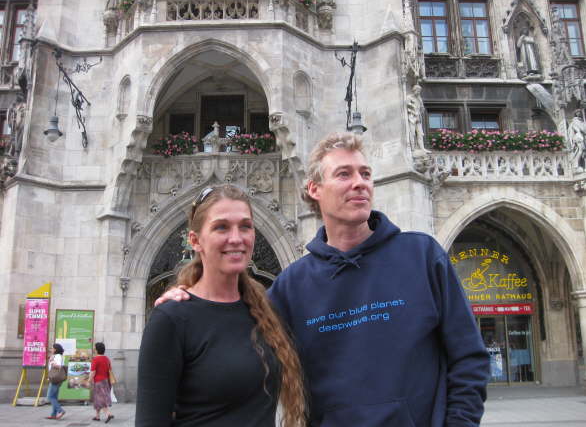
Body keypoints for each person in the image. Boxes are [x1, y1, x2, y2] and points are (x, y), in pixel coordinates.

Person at [158, 134, 490, 426]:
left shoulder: (422, 255)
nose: (359, 183)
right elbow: (230, 330)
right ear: (314, 189)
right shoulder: (292, 286)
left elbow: (469, 356)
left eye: (366, 174)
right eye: (344, 174)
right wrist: (189, 300)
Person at [136, 184, 306, 426]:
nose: (236, 238)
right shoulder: (171, 318)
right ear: (195, 240)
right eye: (221, 227)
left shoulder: (267, 310)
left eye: (245, 226)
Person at [90, 342, 114, 423]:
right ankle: (97, 416)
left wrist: (88, 380)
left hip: (98, 382)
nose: (94, 349)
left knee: (101, 399)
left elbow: (93, 372)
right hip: (106, 381)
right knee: (97, 398)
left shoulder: (95, 359)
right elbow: (109, 370)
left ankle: (108, 414)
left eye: (94, 348)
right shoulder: (107, 359)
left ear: (96, 350)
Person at [46, 343, 66, 420]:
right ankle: (53, 414)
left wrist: (52, 362)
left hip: (55, 379)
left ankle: (60, 410)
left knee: (50, 396)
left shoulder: (57, 356)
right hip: (57, 378)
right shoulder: (58, 356)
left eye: (52, 348)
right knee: (54, 397)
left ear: (55, 349)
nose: (51, 349)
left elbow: (58, 366)